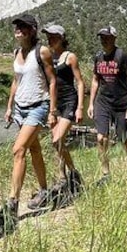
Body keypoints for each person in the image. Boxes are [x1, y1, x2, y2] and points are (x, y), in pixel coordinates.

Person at [3, 13, 57, 219]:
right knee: (34, 149)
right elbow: (16, 81)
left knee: (18, 150)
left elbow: (52, 81)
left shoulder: (42, 52)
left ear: (32, 30)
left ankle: (12, 203)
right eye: (17, 26)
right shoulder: (16, 52)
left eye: (23, 26)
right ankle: (44, 191)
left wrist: (52, 111)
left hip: (38, 107)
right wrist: (9, 107)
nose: (18, 29)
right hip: (20, 108)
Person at [87, 26, 127, 185]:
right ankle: (106, 175)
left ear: (114, 38)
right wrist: (91, 104)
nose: (104, 40)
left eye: (107, 37)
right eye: (102, 37)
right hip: (103, 103)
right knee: (101, 138)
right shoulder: (98, 57)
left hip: (122, 104)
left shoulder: (123, 56)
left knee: (124, 139)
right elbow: (95, 80)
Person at [42, 24, 85, 200]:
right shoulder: (48, 57)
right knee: (57, 143)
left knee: (57, 139)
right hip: (55, 104)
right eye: (49, 37)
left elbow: (80, 82)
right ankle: (64, 177)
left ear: (62, 38)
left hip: (69, 102)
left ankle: (72, 173)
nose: (50, 40)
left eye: (54, 37)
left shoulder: (70, 57)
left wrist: (80, 107)